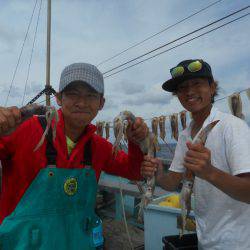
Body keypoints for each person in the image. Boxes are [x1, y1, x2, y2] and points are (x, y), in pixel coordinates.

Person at [0, 63, 148, 249]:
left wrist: (135, 141)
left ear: (101, 103)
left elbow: (134, 171)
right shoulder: (22, 130)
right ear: (59, 98)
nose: (82, 102)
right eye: (73, 94)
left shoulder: (99, 147)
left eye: (91, 95)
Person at [141, 59, 250, 249]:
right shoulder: (185, 135)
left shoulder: (232, 126)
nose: (189, 92)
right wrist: (158, 173)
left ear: (212, 87)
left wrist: (210, 172)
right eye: (182, 88)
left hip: (237, 243)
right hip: (205, 239)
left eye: (197, 84)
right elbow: (172, 182)